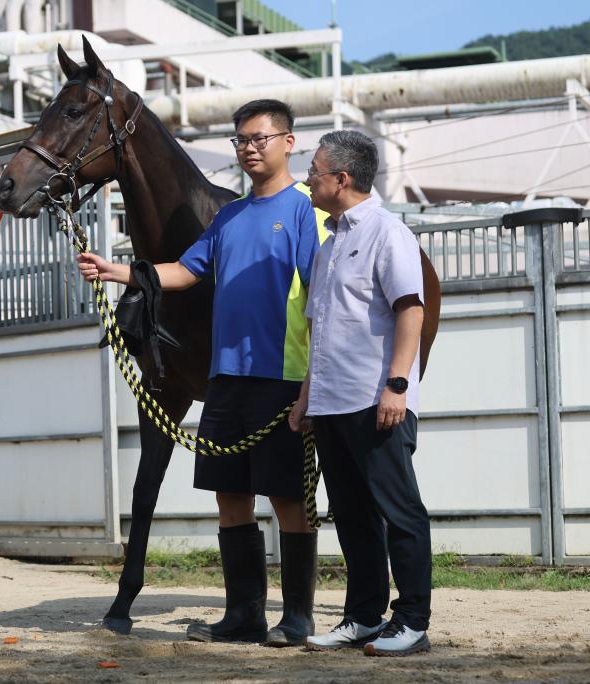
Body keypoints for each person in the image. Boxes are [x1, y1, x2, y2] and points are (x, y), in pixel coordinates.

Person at [78, 99, 328, 645]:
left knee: (287, 496)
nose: (249, 148)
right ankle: (244, 615)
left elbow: (326, 303)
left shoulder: (311, 211)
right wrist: (117, 270)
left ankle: (298, 617)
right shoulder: (230, 216)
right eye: (240, 140)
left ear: (289, 142)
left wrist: (314, 387)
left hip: (285, 376)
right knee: (229, 494)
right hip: (226, 377)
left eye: (259, 138)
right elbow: (185, 271)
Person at [291, 129, 431, 657]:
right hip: (331, 403)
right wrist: (306, 398)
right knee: (351, 515)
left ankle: (413, 619)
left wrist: (398, 385)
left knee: (399, 511)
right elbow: (321, 331)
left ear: (341, 180)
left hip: (376, 401)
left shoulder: (386, 232)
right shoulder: (329, 248)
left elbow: (410, 310)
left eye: (314, 173)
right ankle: (365, 616)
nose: (308, 180)